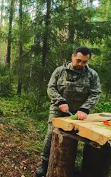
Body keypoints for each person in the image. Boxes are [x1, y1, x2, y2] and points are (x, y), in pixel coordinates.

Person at [35, 47, 101, 176]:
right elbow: (51, 88)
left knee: (73, 137)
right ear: (72, 57)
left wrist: (85, 108)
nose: (81, 64)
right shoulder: (60, 71)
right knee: (52, 135)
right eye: (79, 61)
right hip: (58, 110)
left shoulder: (92, 74)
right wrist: (60, 101)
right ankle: (44, 163)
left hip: (78, 113)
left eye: (85, 62)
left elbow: (95, 93)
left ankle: (68, 164)